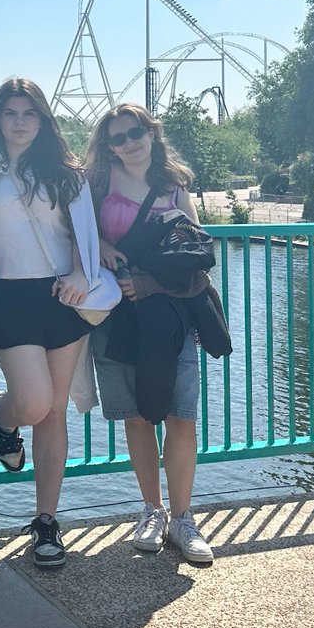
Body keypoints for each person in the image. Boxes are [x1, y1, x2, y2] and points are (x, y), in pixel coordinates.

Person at [0, 76, 94, 568]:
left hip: (62, 293)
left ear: (42, 119)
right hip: (7, 294)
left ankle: (46, 522)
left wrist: (81, 271)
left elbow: (84, 231)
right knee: (33, 402)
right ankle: (2, 416)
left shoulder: (65, 171)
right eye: (11, 113)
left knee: (54, 410)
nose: (19, 122)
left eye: (29, 113)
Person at [85, 104, 215, 564]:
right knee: (136, 417)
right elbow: (74, 231)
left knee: (181, 415)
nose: (128, 142)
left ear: (151, 133)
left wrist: (151, 283)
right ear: (108, 147)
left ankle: (184, 518)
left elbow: (196, 254)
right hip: (118, 315)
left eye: (135, 132)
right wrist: (99, 244)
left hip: (168, 318)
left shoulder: (173, 186)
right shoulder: (97, 185)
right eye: (117, 138)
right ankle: (152, 510)